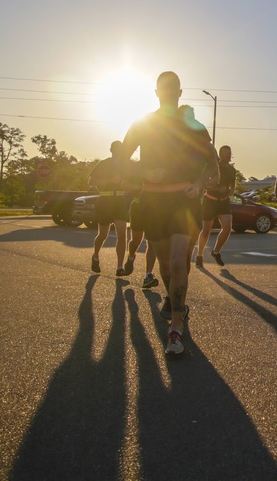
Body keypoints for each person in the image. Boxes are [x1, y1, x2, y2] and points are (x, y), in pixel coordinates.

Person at [120, 72, 218, 356]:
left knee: (178, 262)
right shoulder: (143, 124)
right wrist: (144, 172)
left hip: (182, 202)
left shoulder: (194, 126)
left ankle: (176, 326)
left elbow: (213, 167)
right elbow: (122, 162)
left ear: (180, 92)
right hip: (153, 202)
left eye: (173, 89)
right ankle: (178, 305)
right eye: (164, 89)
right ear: (156, 92)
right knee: (165, 264)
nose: (168, 93)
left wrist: (199, 184)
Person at [88, 140, 133, 277]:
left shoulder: (126, 165)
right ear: (111, 150)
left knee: (122, 234)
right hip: (105, 200)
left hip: (119, 201)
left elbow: (134, 179)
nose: (118, 151)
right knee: (103, 235)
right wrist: (109, 181)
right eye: (116, 148)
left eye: (121, 149)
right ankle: (95, 256)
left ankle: (119, 267)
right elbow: (91, 181)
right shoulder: (104, 164)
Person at [195, 145, 237, 268]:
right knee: (206, 231)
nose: (227, 157)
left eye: (229, 154)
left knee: (227, 228)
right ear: (220, 154)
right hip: (210, 201)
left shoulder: (232, 170)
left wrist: (230, 191)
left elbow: (233, 185)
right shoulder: (213, 167)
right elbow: (204, 183)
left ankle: (216, 251)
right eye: (225, 154)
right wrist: (216, 188)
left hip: (224, 202)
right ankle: (199, 255)